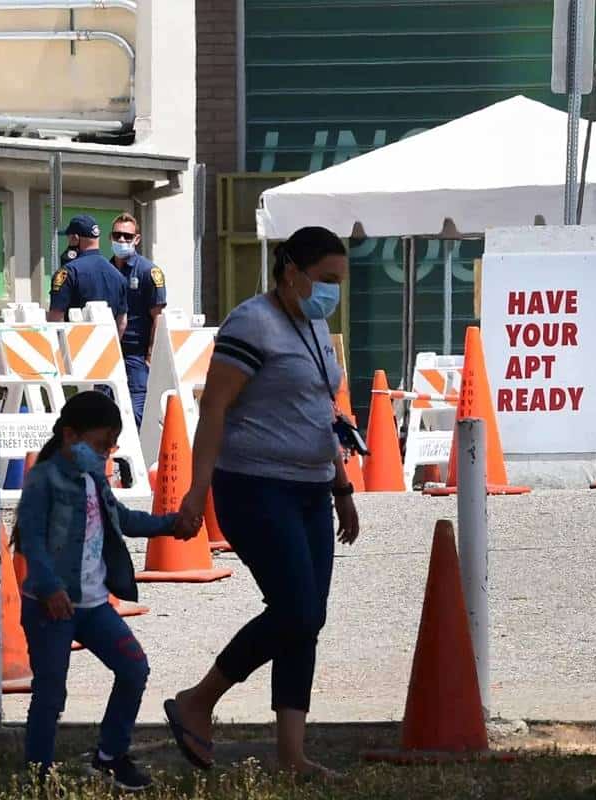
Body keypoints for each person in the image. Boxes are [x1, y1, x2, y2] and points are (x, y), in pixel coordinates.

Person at [163, 226, 360, 778]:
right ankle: (197, 701)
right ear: (291, 271)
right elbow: (214, 410)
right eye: (325, 279)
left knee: (306, 621)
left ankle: (292, 755)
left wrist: (341, 486)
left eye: (339, 282)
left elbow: (320, 411)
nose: (332, 292)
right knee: (297, 610)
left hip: (311, 488)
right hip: (256, 487)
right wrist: (197, 490)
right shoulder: (251, 323)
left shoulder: (313, 325)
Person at [13, 390, 200, 790]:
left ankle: (110, 757)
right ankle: (37, 776)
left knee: (134, 668)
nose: (106, 454)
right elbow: (31, 541)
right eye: (100, 445)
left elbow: (123, 520)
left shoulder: (94, 478)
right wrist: (50, 588)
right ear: (69, 436)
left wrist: (171, 525)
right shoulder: (43, 480)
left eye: (111, 446)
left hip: (94, 605)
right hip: (50, 608)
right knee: (50, 693)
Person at [109, 213, 166, 428]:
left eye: (127, 236)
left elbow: (157, 316)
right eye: (117, 235)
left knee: (135, 412)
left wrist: (150, 355)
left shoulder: (148, 271)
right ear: (110, 237)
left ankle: (136, 452)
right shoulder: (106, 270)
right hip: (108, 352)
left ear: (137, 239)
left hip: (137, 355)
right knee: (104, 410)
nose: (122, 240)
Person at [47, 215, 127, 337]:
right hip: (108, 346)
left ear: (75, 238)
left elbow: (55, 319)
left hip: (75, 345)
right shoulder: (118, 275)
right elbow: (122, 322)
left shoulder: (68, 272)